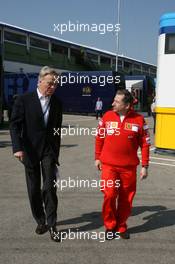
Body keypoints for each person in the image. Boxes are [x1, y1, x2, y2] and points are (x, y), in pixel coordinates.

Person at [10, 66, 62, 242]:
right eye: (50, 83)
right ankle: (41, 221)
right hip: (29, 149)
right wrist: (17, 148)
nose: (53, 87)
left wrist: (56, 153)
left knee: (49, 187)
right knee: (33, 188)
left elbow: (56, 130)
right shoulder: (24, 100)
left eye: (55, 84)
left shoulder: (57, 103)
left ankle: (52, 224)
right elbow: (15, 125)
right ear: (40, 81)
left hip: (48, 150)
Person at [95, 89, 150, 240]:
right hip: (109, 166)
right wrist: (97, 157)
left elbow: (145, 144)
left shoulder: (139, 120)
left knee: (126, 199)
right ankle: (110, 225)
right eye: (114, 100)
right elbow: (99, 137)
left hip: (128, 168)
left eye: (117, 102)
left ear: (126, 105)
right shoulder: (107, 116)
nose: (112, 103)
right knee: (110, 194)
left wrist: (145, 166)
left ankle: (121, 226)